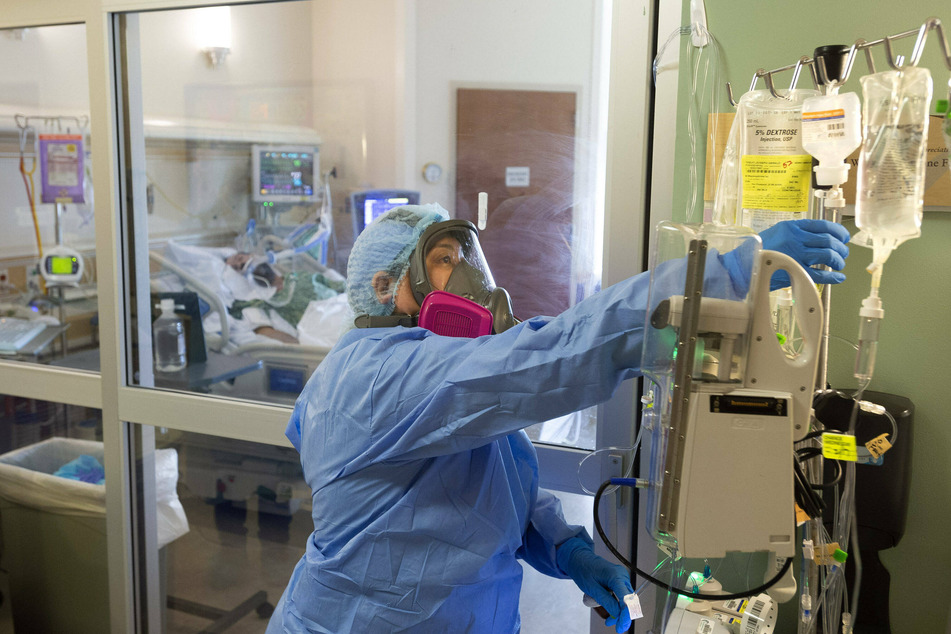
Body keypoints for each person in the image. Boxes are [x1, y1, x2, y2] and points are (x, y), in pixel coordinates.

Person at [266, 204, 850, 633]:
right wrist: (720, 278)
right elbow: (549, 357)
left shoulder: (429, 369)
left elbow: (483, 480)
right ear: (386, 285)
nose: (468, 272)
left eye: (467, 255)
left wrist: (565, 548)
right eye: (446, 260)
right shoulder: (378, 376)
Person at [224, 252, 344, 344]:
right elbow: (265, 331)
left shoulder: (298, 275)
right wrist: (303, 348)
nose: (243, 265)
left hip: (344, 309)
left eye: (240, 259)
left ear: (253, 255)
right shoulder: (257, 301)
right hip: (324, 327)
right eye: (238, 268)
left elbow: (341, 287)